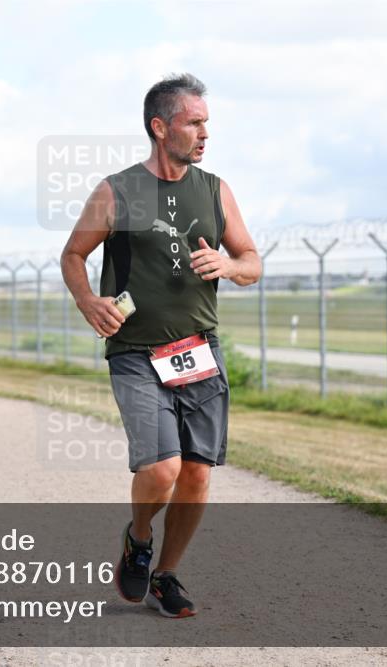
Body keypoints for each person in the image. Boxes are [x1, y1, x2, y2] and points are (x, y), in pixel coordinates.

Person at [60, 73, 261, 618]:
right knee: (164, 467)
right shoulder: (116, 191)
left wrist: (229, 264)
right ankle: (139, 538)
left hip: (200, 350)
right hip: (135, 353)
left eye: (206, 123)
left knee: (197, 471)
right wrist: (88, 302)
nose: (204, 133)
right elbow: (73, 256)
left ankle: (166, 575)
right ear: (159, 126)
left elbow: (252, 261)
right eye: (194, 122)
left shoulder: (215, 189)